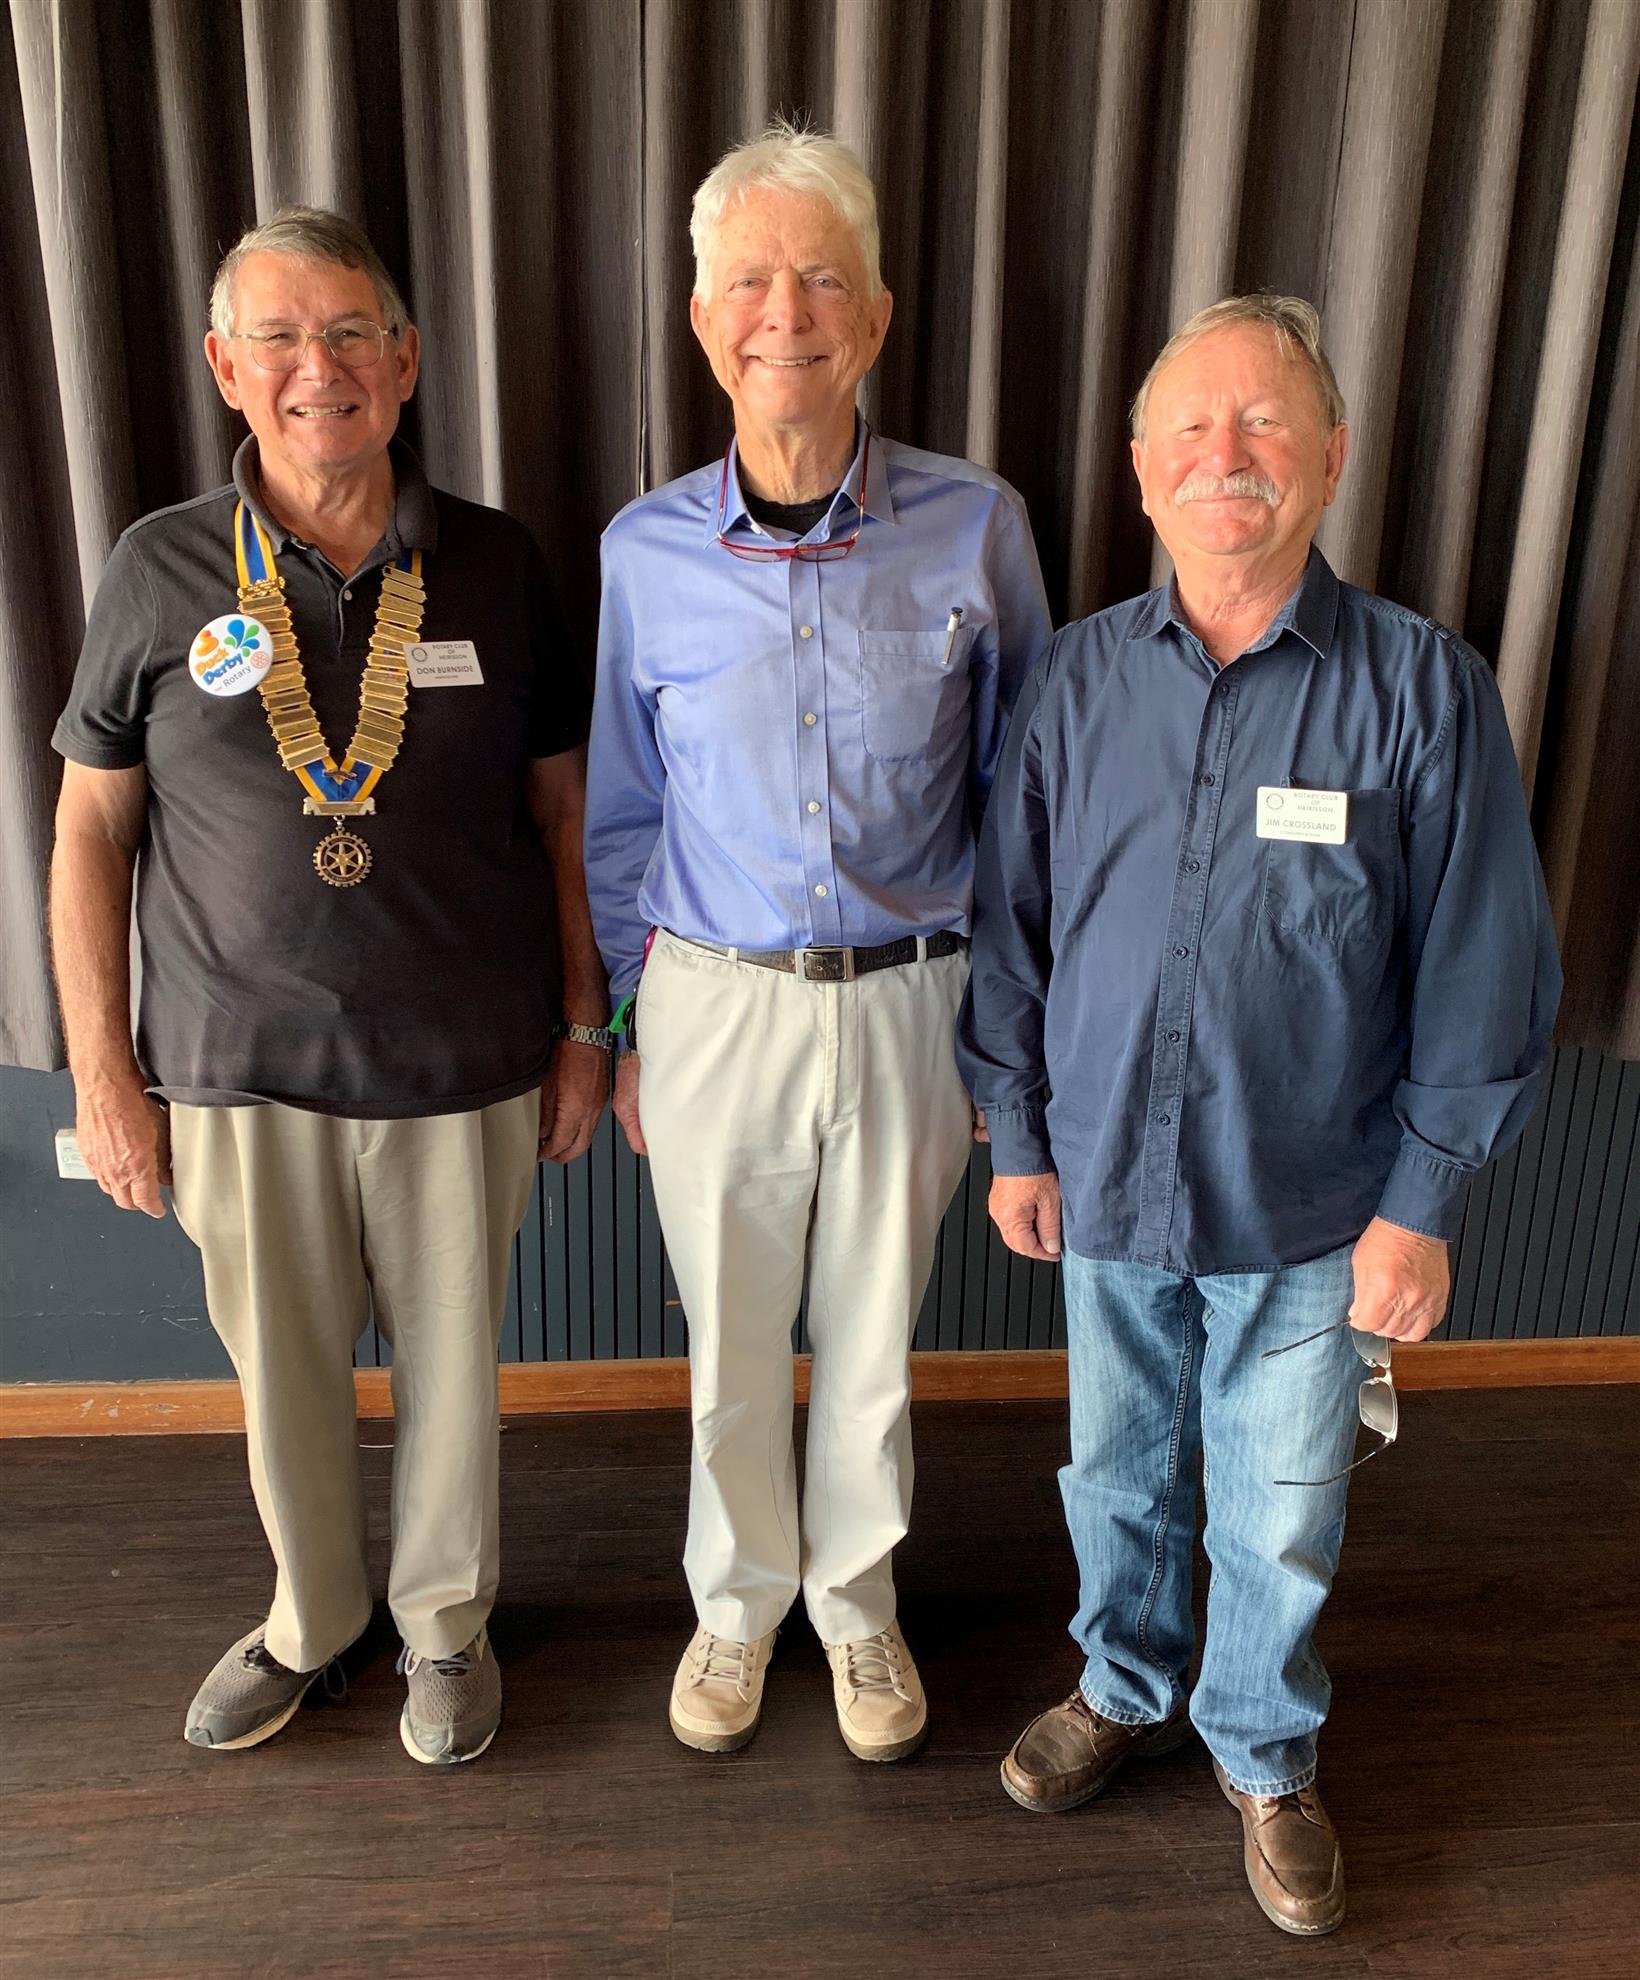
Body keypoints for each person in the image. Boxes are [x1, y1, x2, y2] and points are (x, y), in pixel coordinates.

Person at [959, 294, 1560, 1933]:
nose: (1226, 454)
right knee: (1115, 1473)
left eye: (1266, 421)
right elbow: (1010, 924)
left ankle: (1263, 1749)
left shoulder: (1423, 689)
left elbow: (1485, 965)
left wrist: (1423, 1205)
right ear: (1142, 468)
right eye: (1192, 427)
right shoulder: (1077, 679)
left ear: (1332, 457)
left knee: (1282, 1509)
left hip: (1318, 1203)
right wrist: (1019, 1132)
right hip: (1103, 1182)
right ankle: (1123, 1684)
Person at [50, 205, 610, 1766]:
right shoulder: (158, 567)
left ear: (407, 359)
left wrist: (587, 1027)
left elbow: (567, 816)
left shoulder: (495, 562)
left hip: (466, 1063)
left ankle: (444, 1626)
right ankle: (312, 1620)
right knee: (280, 1384)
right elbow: (89, 827)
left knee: (455, 1378)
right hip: (238, 1070)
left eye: (352, 333)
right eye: (281, 339)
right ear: (227, 367)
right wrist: (104, 1071)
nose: (321, 368)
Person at [585, 123, 1050, 1762]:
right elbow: (622, 816)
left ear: (878, 315)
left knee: (871, 1346)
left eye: (822, 280)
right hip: (712, 1007)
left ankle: (857, 1611)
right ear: (701, 319)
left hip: (913, 1003)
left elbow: (1023, 804)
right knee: (728, 1344)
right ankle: (735, 1607)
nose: (784, 314)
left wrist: (1003, 1037)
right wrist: (631, 1026)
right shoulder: (641, 552)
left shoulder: (980, 527)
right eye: (748, 283)